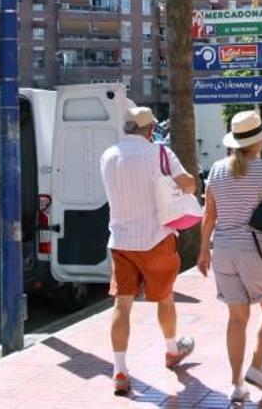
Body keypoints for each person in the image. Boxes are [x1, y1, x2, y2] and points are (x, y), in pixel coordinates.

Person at [100, 104, 198, 395]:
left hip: (120, 242)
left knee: (122, 304)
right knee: (165, 298)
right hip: (157, 238)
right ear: (151, 129)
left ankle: (119, 370)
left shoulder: (108, 155)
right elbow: (190, 186)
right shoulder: (160, 153)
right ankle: (171, 351)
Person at [197, 110, 262, 404]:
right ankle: (257, 366)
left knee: (237, 317)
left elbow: (208, 216)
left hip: (222, 249)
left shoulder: (217, 170)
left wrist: (201, 252)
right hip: (255, 249)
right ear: (259, 140)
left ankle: (236, 385)